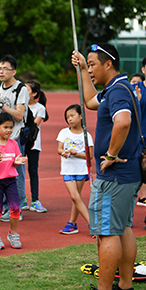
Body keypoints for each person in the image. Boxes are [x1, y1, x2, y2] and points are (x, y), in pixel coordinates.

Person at [72, 43, 142, 290]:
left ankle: (104, 288)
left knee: (107, 232)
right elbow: (91, 101)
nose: (90, 69)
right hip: (127, 175)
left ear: (108, 64)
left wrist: (111, 155)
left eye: (92, 64)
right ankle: (125, 286)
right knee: (123, 228)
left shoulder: (117, 92)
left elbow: (123, 122)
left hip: (114, 177)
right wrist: (81, 68)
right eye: (88, 64)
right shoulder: (117, 87)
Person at [0, 54, 30, 221]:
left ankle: (17, 208)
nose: (1, 72)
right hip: (1, 138)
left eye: (5, 69)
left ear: (14, 71)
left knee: (17, 173)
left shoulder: (21, 90)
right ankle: (5, 206)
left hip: (15, 138)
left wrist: (1, 105)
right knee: (2, 172)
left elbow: (19, 115)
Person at [0, 112, 27, 254]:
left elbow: (16, 160)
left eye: (10, 127)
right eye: (5, 127)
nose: (8, 130)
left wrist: (16, 162)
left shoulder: (13, 144)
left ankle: (13, 234)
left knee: (15, 208)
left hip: (10, 181)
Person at [57, 104, 94, 235]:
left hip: (81, 170)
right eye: (67, 117)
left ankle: (72, 224)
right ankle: (93, 224)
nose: (70, 119)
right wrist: (64, 153)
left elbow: (90, 156)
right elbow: (59, 149)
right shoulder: (64, 132)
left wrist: (76, 153)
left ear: (80, 116)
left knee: (76, 198)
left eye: (72, 116)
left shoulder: (86, 135)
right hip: (67, 170)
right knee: (75, 196)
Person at [25, 80, 48, 213]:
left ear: (34, 94)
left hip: (33, 144)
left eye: (26, 90)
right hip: (19, 142)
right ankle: (21, 199)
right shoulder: (19, 105)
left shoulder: (40, 108)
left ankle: (35, 200)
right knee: (17, 172)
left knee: (33, 171)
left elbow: (34, 125)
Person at [131, 60, 146, 207]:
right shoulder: (135, 89)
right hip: (138, 141)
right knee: (134, 181)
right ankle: (127, 219)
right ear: (143, 70)